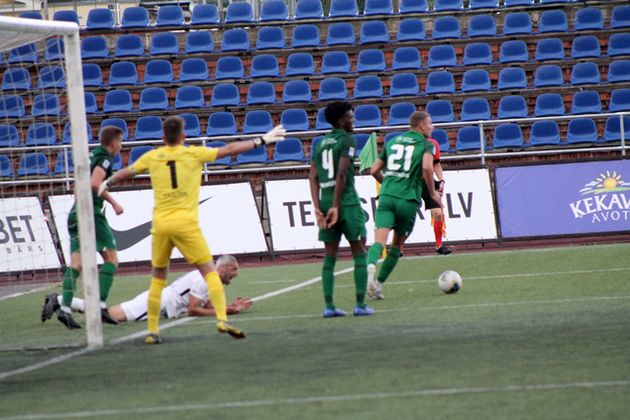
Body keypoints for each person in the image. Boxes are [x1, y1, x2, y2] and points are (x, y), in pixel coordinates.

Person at [98, 116, 285, 344]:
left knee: (158, 280)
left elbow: (127, 172)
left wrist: (108, 182)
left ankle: (153, 331)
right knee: (210, 273)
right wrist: (261, 140)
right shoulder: (193, 153)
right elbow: (229, 149)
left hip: (161, 225)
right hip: (186, 224)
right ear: (184, 137)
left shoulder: (153, 156)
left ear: (163, 137)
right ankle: (222, 320)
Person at [52, 126, 125, 330]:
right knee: (111, 259)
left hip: (76, 213)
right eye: (120, 142)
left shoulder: (90, 157)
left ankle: (65, 309)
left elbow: (80, 186)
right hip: (91, 214)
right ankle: (99, 306)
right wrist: (113, 203)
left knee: (76, 264)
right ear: (113, 143)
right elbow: (95, 183)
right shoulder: (105, 158)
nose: (121, 146)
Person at [366, 111, 443, 300]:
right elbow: (427, 167)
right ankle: (378, 285)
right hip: (407, 200)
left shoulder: (393, 141)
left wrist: (387, 184)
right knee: (396, 246)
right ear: (421, 126)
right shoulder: (426, 144)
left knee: (378, 242)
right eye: (430, 123)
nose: (432, 127)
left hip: (386, 197)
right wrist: (433, 192)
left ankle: (371, 266)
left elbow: (374, 170)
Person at [41, 255, 252, 323]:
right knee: (109, 316)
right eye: (234, 269)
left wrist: (229, 307)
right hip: (158, 303)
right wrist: (227, 311)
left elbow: (205, 306)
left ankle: (60, 301)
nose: (236, 274)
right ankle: (58, 299)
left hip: (160, 300)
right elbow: (193, 310)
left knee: (108, 314)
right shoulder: (205, 279)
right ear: (223, 268)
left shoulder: (209, 279)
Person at [309, 101, 374, 318]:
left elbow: (312, 177)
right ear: (340, 120)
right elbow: (342, 173)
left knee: (330, 256)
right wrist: (337, 206)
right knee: (359, 250)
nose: (353, 120)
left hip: (325, 201)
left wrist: (318, 208)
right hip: (346, 202)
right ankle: (360, 305)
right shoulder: (347, 140)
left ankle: (329, 307)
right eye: (350, 117)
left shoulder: (320, 143)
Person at [421, 137, 452, 255]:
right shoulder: (409, 142)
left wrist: (441, 180)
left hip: (427, 182)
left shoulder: (433, 143)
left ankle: (439, 245)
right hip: (411, 183)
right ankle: (398, 247)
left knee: (438, 213)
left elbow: (436, 164)